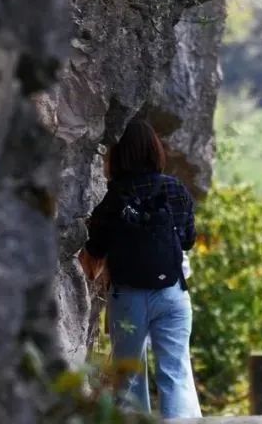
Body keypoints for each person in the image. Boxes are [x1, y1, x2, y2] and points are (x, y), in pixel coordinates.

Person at [81, 118, 201, 420]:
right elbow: (187, 241)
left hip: (128, 299)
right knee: (175, 375)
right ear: (154, 150)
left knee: (129, 379)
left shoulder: (112, 198)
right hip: (172, 294)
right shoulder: (175, 189)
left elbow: (94, 249)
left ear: (117, 155)